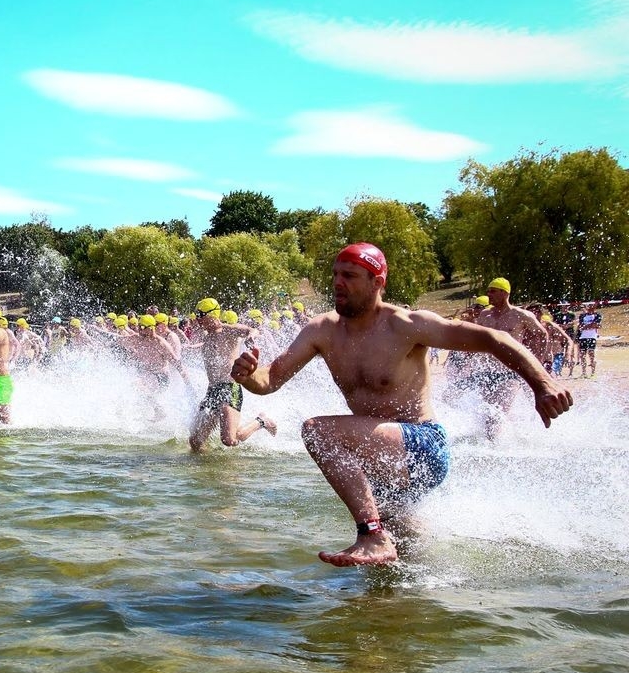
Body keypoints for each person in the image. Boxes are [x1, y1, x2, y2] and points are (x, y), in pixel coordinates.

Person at [230, 243, 572, 567]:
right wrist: (247, 376)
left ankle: (371, 535)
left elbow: (494, 339)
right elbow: (269, 380)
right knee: (400, 564)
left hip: (423, 447)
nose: (337, 283)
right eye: (335, 274)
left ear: (377, 282)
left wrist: (542, 385)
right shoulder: (322, 331)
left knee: (319, 432)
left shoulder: (406, 325)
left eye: (349, 276)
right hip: (377, 461)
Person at [187, 299, 276, 452]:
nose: (198, 319)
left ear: (212, 314)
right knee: (195, 441)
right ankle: (210, 466)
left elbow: (251, 330)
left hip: (229, 388)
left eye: (201, 315)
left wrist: (250, 338)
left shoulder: (227, 330)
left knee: (229, 440)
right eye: (197, 315)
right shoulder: (207, 337)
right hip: (212, 390)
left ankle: (261, 421)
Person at [472, 278, 549, 440]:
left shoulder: (520, 315)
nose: (488, 294)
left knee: (499, 410)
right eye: (488, 290)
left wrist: (537, 361)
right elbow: (477, 338)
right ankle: (502, 438)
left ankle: (496, 446)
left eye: (493, 291)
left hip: (512, 370)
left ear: (504, 293)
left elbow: (542, 335)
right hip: (488, 370)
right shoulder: (485, 315)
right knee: (489, 410)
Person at [576, 303, 601, 378]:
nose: (590, 307)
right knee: (582, 355)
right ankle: (584, 373)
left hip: (592, 336)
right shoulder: (582, 316)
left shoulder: (597, 315)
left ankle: (593, 373)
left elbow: (596, 324)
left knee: (591, 354)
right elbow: (580, 326)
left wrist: (586, 326)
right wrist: (590, 326)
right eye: (588, 306)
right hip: (583, 337)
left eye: (591, 306)